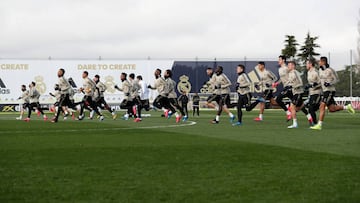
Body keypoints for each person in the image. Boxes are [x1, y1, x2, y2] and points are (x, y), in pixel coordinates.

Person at [310, 56, 355, 130]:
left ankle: (319, 125)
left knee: (322, 105)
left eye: (320, 62)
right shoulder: (320, 70)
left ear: (323, 62)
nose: (318, 63)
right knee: (332, 109)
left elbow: (337, 79)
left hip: (330, 91)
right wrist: (315, 84)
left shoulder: (330, 70)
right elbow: (320, 81)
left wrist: (329, 83)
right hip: (325, 91)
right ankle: (347, 107)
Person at [273, 55, 292, 121]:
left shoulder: (287, 68)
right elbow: (281, 79)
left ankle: (288, 111)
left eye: (280, 59)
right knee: (299, 105)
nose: (278, 61)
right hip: (285, 87)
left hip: (290, 86)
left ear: (283, 60)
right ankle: (310, 118)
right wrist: (276, 83)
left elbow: (292, 75)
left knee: (278, 99)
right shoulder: (280, 69)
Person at [286, 61, 306, 129]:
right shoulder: (290, 73)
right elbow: (290, 82)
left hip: (298, 92)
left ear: (293, 66)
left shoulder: (295, 72)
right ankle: (305, 103)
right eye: (288, 65)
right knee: (295, 109)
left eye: (289, 65)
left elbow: (300, 83)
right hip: (295, 92)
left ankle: (295, 124)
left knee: (292, 107)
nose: (288, 66)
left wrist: (293, 86)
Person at [304, 59, 321, 125]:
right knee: (310, 108)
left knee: (311, 108)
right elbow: (310, 83)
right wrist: (308, 86)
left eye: (307, 63)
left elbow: (321, 83)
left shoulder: (316, 72)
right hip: (311, 93)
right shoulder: (308, 72)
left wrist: (313, 85)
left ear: (310, 64)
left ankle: (315, 124)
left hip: (317, 93)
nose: (306, 65)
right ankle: (314, 123)